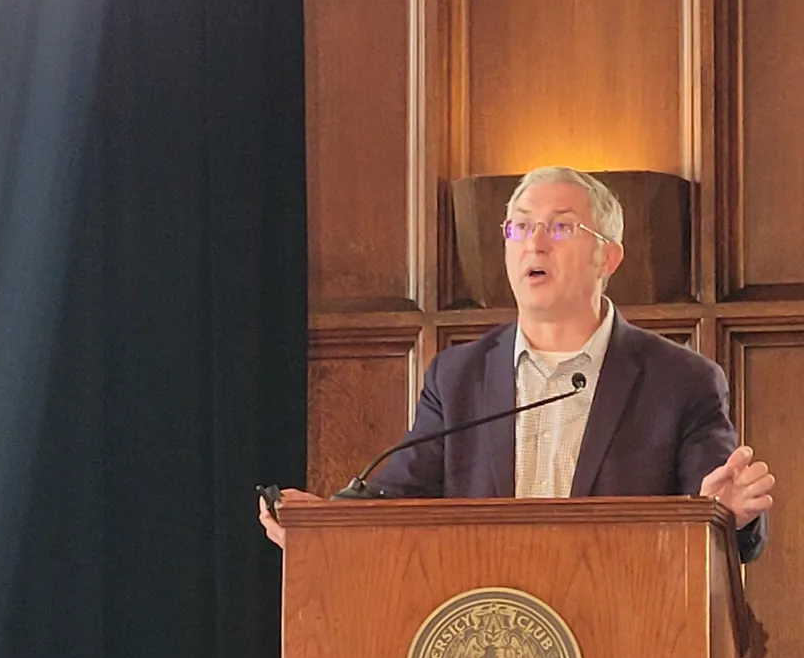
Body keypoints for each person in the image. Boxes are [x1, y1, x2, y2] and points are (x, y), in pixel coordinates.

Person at [259, 166, 775, 559]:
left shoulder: (679, 380)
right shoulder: (457, 377)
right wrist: (325, 525)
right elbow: (397, 500)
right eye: (520, 228)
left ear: (608, 258)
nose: (535, 242)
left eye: (561, 228)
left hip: (625, 642)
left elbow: (720, 512)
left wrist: (727, 514)